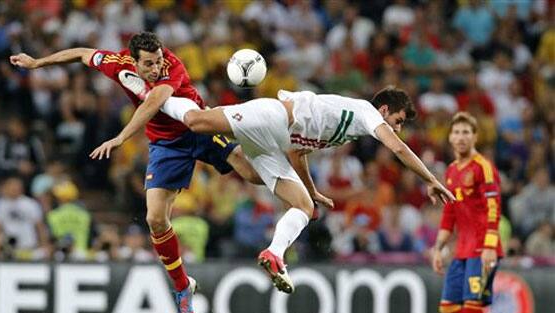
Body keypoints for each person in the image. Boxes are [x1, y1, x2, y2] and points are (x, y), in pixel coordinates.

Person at [10, 31, 261, 313]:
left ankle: (293, 176)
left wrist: (120, 138)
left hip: (197, 127)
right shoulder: (117, 63)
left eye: (158, 61)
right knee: (155, 219)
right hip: (166, 145)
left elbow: (154, 101)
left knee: (249, 171)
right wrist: (38, 63)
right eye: (149, 64)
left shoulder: (172, 66)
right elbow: (81, 52)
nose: (156, 68)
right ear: (133, 61)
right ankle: (182, 286)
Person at [158, 85, 455, 294]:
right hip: (270, 116)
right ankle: (153, 92)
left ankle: (275, 254)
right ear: (385, 109)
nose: (397, 129)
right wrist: (429, 178)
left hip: (274, 142)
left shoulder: (344, 128)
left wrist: (311, 190)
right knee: (196, 121)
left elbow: (298, 154)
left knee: (302, 205)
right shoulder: (366, 111)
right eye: (398, 121)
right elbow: (398, 149)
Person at [431, 112, 514, 313]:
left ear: (475, 136)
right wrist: (439, 246)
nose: (461, 137)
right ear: (450, 137)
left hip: (482, 249)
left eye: (466, 132)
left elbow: (494, 207)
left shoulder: (483, 167)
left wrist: (490, 245)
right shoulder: (452, 171)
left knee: (472, 306)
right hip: (462, 250)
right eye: (456, 132)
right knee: (449, 307)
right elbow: (450, 213)